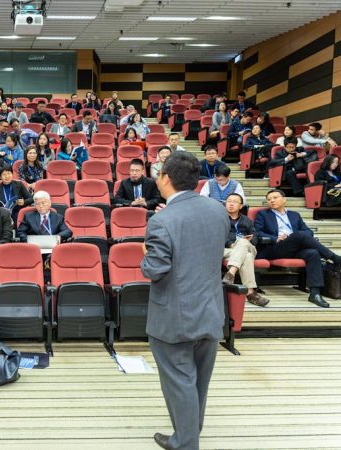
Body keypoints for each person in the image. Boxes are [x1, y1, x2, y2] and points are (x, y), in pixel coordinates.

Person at [140, 151, 230, 450]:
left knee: (179, 382)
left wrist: (144, 256)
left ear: (166, 178)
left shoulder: (162, 220)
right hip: (211, 310)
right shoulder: (218, 210)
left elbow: (156, 269)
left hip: (174, 318)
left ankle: (186, 442)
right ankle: (189, 433)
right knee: (198, 383)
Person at [254, 189, 341, 308]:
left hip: (295, 247)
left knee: (313, 253)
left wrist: (294, 237)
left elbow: (308, 231)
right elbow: (257, 232)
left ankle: (315, 293)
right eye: (269, 199)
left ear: (284, 199)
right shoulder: (263, 214)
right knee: (298, 235)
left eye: (275, 198)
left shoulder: (294, 215)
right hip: (275, 248)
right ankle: (334, 258)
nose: (271, 201)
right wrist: (276, 238)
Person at [222, 193, 270, 307]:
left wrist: (246, 241)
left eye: (234, 202)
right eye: (229, 201)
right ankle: (250, 293)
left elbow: (255, 238)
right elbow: (215, 235)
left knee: (243, 242)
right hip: (227, 249)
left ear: (240, 206)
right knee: (246, 256)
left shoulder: (247, 220)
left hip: (247, 247)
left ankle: (230, 274)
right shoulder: (219, 218)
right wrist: (230, 243)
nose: (231, 204)